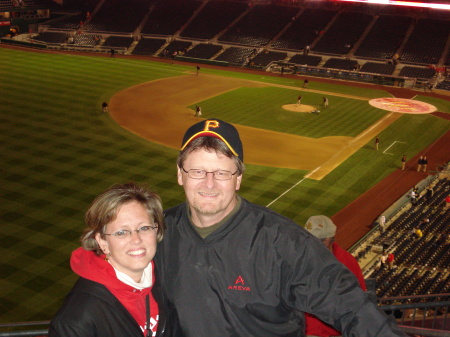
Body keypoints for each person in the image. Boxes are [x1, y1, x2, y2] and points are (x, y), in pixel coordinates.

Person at [155, 118, 405, 336]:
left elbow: (350, 306)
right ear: (180, 174)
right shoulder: (155, 235)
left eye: (222, 173)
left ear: (239, 178)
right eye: (197, 171)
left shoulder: (283, 242)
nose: (209, 184)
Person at [49, 182, 172, 337]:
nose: (136, 239)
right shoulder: (77, 318)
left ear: (156, 230)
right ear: (102, 242)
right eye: (122, 232)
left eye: (144, 228)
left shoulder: (168, 276)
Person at [304, 215, 367, 337]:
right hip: (306, 330)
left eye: (314, 239)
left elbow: (360, 299)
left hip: (334, 332)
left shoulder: (347, 262)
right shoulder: (301, 259)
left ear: (328, 239)